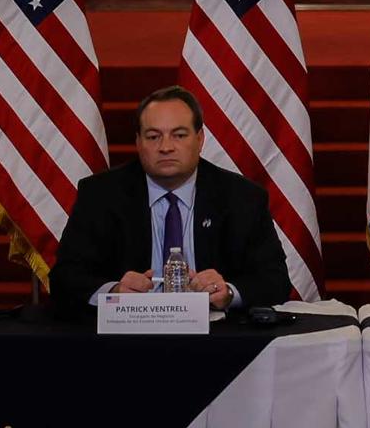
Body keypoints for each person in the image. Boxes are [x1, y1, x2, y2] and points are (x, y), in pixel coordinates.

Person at [49, 85, 291, 317]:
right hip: (126, 338)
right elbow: (65, 278)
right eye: (153, 136)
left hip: (215, 338)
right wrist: (113, 292)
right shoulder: (101, 195)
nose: (166, 147)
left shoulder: (242, 197)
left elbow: (275, 280)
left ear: (200, 139)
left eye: (179, 135)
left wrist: (228, 292)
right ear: (138, 142)